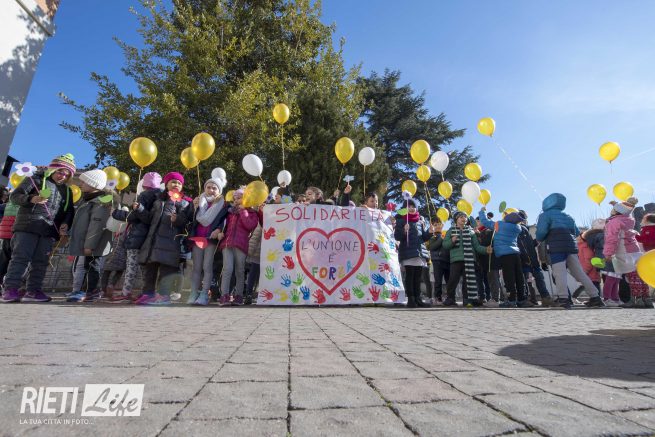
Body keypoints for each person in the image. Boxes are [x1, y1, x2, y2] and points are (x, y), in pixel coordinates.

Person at [1, 154, 76, 303]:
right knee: (20, 258)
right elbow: (15, 196)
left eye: (67, 175)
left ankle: (33, 291)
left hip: (49, 230)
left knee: (41, 262)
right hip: (28, 226)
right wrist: (31, 199)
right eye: (60, 172)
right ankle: (10, 289)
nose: (63, 176)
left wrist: (65, 223)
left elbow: (68, 210)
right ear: (53, 169)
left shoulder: (67, 191)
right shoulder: (35, 180)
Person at [535, 193, 604, 308]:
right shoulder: (568, 216)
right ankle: (595, 297)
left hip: (556, 246)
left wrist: (539, 238)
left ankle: (563, 299)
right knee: (579, 273)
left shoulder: (545, 215)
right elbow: (576, 232)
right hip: (571, 247)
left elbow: (541, 233)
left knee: (559, 273)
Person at [136, 172, 193, 305]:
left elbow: (189, 222)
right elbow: (149, 219)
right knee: (150, 270)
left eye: (179, 183)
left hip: (171, 243)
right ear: (166, 184)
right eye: (173, 182)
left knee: (166, 272)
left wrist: (178, 219)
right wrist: (140, 209)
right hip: (154, 242)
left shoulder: (185, 203)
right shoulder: (158, 200)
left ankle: (164, 295)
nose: (176, 184)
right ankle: (148, 294)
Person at [109, 172, 162, 303]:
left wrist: (115, 213)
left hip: (137, 237)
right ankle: (147, 292)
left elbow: (133, 216)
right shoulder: (161, 197)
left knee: (131, 266)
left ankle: (126, 293)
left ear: (144, 185)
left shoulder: (143, 196)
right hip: (150, 238)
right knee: (145, 268)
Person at [66, 169, 115, 302]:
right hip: (87, 242)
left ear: (93, 184)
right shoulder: (88, 200)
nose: (80, 184)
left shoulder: (100, 202)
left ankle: (92, 291)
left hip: (94, 244)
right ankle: (85, 291)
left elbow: (96, 225)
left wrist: (89, 245)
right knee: (87, 266)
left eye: (84, 182)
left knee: (92, 267)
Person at [211, 188, 259, 306]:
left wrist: (243, 211)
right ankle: (224, 295)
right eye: (235, 198)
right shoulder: (229, 212)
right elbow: (223, 224)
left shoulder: (252, 213)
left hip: (241, 245)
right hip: (227, 244)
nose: (236, 200)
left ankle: (239, 296)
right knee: (227, 269)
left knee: (240, 270)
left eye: (239, 198)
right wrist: (221, 232)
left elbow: (249, 226)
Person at [478, 208, 532, 308]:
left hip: (505, 255)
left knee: (509, 278)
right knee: (519, 277)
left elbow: (485, 222)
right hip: (516, 254)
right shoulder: (518, 228)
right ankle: (522, 299)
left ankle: (511, 300)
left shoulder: (499, 225)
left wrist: (482, 212)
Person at [603, 198, 651, 308]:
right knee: (640, 275)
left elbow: (611, 239)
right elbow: (624, 209)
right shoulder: (629, 220)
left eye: (614, 209)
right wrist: (616, 204)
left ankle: (636, 299)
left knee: (632, 277)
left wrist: (608, 253)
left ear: (616, 211)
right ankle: (646, 299)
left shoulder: (614, 222)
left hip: (624, 252)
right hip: (635, 250)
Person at [188, 177, 226, 306]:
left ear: (219, 190)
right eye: (208, 187)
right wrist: (193, 207)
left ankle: (204, 294)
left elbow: (224, 220)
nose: (211, 190)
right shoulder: (199, 201)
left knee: (207, 267)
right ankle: (193, 293)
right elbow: (190, 218)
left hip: (210, 240)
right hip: (197, 238)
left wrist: (219, 229)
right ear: (205, 188)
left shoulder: (223, 204)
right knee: (196, 268)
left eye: (214, 188)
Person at [442, 211, 489, 307]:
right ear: (456, 219)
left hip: (469, 259)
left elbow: (477, 246)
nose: (464, 218)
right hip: (456, 260)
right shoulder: (451, 230)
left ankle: (467, 299)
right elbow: (445, 245)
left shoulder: (471, 231)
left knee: (468, 280)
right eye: (461, 217)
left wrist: (486, 250)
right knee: (453, 280)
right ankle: (450, 298)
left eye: (465, 217)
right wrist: (452, 241)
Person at [394, 199, 432, 307]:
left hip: (419, 252)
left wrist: (429, 233)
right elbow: (397, 237)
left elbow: (423, 237)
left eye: (413, 206)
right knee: (410, 276)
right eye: (409, 206)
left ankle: (417, 298)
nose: (411, 208)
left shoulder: (420, 221)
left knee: (418, 277)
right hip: (408, 252)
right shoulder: (401, 220)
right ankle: (411, 299)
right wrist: (404, 231)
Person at [517, 210, 553, 307]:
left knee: (539, 279)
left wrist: (536, 242)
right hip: (524, 261)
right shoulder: (518, 230)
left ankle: (545, 298)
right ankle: (526, 299)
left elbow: (528, 245)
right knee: (526, 281)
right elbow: (522, 247)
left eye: (525, 218)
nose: (524, 220)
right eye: (523, 218)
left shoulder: (526, 231)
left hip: (533, 260)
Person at [427, 218, 449, 304]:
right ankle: (438, 297)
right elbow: (432, 247)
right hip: (437, 261)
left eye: (439, 224)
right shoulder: (432, 237)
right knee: (438, 280)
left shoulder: (446, 234)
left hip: (447, 261)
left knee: (449, 280)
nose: (438, 226)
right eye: (435, 225)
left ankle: (450, 297)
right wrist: (441, 238)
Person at [0, 200, 18, 284]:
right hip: (18, 235)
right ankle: (11, 284)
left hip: (6, 235)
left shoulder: (7, 205)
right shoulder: (27, 204)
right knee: (17, 260)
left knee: (4, 259)